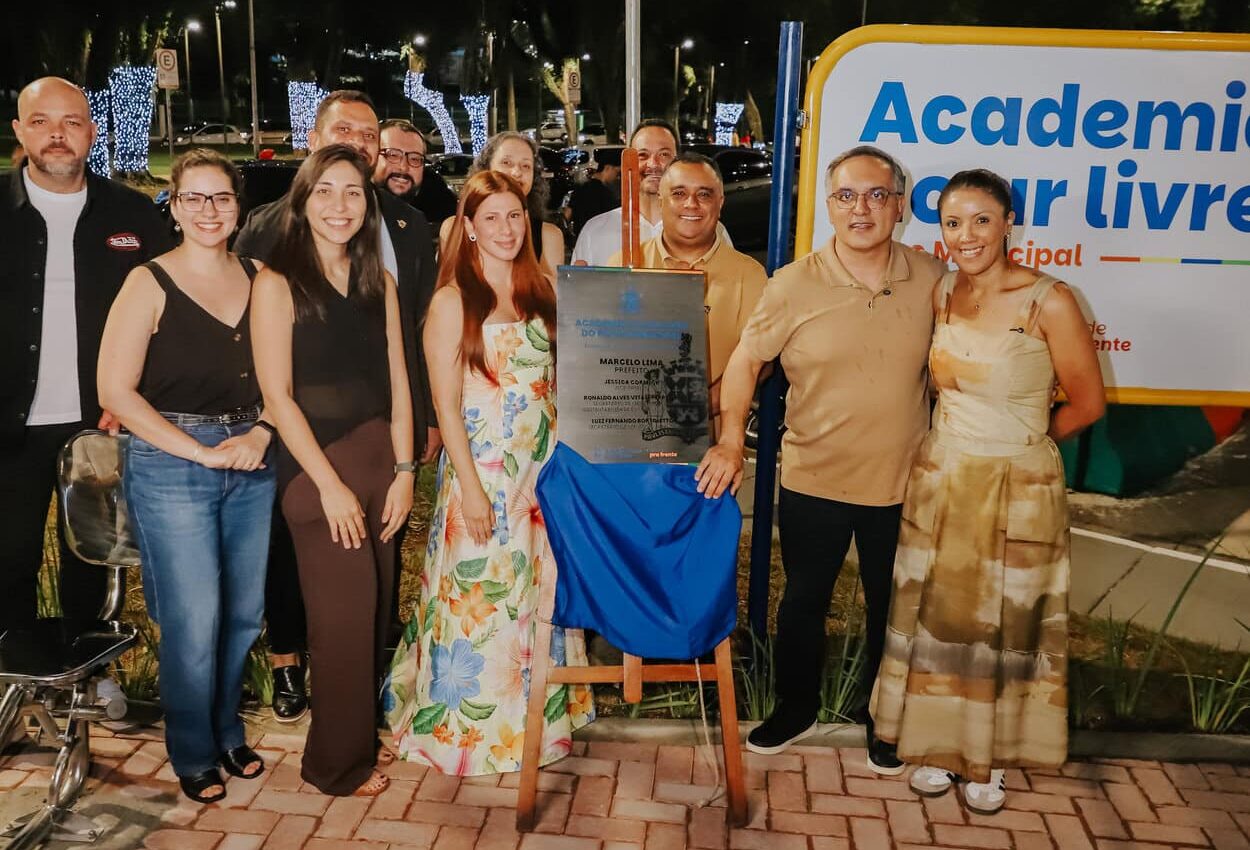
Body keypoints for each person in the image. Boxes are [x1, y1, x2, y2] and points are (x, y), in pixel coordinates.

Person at [694, 146, 945, 775]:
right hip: (815, 476)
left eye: (877, 195)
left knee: (894, 605)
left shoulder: (934, 280)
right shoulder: (794, 283)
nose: (861, 208)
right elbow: (748, 362)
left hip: (905, 481)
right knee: (803, 600)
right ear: (828, 205)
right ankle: (797, 706)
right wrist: (730, 439)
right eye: (846, 196)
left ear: (900, 204)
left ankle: (884, 719)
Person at [872, 169, 1104, 813]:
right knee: (941, 618)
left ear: (1008, 223)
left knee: (1006, 624)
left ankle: (991, 759)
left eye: (981, 220)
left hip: (1015, 485)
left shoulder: (1051, 299)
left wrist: (1020, 443)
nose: (966, 235)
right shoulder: (945, 291)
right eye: (952, 222)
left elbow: (1087, 403)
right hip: (942, 476)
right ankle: (939, 746)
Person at [236, 90, 439, 722]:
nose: (357, 143)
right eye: (343, 131)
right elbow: (266, 362)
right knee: (303, 569)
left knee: (370, 584)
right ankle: (290, 662)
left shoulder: (404, 232)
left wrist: (412, 449)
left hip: (381, 441)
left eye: (368, 136)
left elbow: (413, 341)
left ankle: (363, 692)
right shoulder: (272, 235)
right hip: (299, 441)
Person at [385, 170, 594, 776]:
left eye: (515, 216)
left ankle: (537, 723)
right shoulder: (454, 301)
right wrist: (472, 490)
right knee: (479, 595)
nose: (505, 228)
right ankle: (469, 729)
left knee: (537, 594)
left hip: (542, 476)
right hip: (484, 474)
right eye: (492, 218)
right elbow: (446, 404)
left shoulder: (545, 288)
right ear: (469, 229)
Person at [97, 149, 274, 804]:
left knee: (244, 615)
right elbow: (115, 387)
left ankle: (227, 727)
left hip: (253, 453)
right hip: (172, 460)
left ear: (238, 206)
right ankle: (193, 748)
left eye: (220, 198)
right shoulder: (148, 282)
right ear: (172, 207)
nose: (208, 211)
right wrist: (197, 453)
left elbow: (286, 379)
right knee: (193, 618)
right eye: (193, 198)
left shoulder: (262, 277)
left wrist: (261, 433)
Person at [250, 144, 414, 797]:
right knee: (342, 623)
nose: (339, 206)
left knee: (372, 614)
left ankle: (357, 743)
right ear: (303, 201)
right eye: (325, 192)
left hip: (382, 463)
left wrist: (406, 470)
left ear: (367, 205)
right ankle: (333, 767)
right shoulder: (276, 282)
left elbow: (401, 381)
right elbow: (277, 397)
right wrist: (330, 485)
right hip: (318, 474)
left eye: (352, 192)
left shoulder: (380, 281)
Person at [1, 77, 172, 632]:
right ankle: (15, 678)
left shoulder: (136, 216)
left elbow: (166, 318)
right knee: (8, 561)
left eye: (71, 122)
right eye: (42, 121)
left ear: (92, 133)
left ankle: (89, 680)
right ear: (19, 130)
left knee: (93, 560)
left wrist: (135, 399)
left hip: (100, 422)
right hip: (10, 423)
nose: (57, 134)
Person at [608, 152, 765, 437]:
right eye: (679, 193)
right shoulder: (621, 266)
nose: (691, 204)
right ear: (661, 200)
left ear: (721, 202)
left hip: (709, 453)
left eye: (704, 194)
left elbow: (760, 362)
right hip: (628, 441)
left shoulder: (749, 275)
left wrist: (698, 407)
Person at [571, 119, 730, 266]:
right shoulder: (596, 231)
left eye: (664, 155)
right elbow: (580, 293)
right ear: (628, 163)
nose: (653, 164)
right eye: (643, 155)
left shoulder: (713, 232)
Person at [440, 131, 563, 281]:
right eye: (507, 163)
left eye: (526, 166)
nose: (516, 172)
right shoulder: (454, 228)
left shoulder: (549, 235)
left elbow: (551, 298)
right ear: (486, 168)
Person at [373, 118, 458, 230]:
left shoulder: (433, 214)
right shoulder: (352, 217)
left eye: (414, 159)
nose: (403, 167)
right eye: (393, 155)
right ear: (372, 157)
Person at [564, 152, 619, 237]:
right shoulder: (606, 193)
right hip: (600, 239)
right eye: (616, 172)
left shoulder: (580, 188)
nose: (617, 176)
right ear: (608, 168)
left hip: (580, 239)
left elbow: (567, 215)